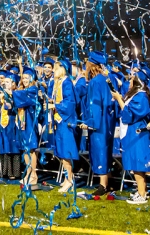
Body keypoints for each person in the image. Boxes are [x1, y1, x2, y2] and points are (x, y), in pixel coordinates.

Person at [113, 69, 150, 205]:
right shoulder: (136, 95)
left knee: (139, 164)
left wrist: (119, 99)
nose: (129, 81)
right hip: (132, 132)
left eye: (131, 79)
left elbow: (129, 115)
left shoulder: (141, 96)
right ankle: (140, 191)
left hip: (138, 133)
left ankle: (142, 194)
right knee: (135, 163)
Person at [79, 51, 114, 197]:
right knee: (105, 149)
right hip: (106, 120)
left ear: (92, 65)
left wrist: (89, 122)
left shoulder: (95, 81)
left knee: (100, 150)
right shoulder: (103, 79)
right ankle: (108, 181)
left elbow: (95, 105)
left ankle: (103, 185)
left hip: (99, 123)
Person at [50, 58, 79, 192]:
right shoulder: (58, 83)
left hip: (65, 121)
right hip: (59, 120)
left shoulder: (66, 82)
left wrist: (54, 105)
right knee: (61, 151)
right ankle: (67, 178)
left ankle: (70, 180)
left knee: (66, 151)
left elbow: (70, 103)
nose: (53, 71)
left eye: (56, 68)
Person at [12, 67, 40, 189]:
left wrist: (11, 92)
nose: (24, 80)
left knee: (31, 149)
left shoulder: (33, 89)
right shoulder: (23, 90)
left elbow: (22, 97)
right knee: (25, 149)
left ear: (32, 78)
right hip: (22, 123)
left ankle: (34, 174)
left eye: (26, 77)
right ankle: (28, 172)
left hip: (30, 123)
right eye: (22, 78)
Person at [0, 72, 22, 180]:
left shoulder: (17, 93)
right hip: (2, 122)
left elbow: (10, 106)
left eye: (7, 82)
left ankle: (14, 172)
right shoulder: (2, 93)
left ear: (13, 83)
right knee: (2, 146)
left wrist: (8, 95)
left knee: (12, 147)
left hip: (12, 122)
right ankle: (2, 171)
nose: (4, 83)